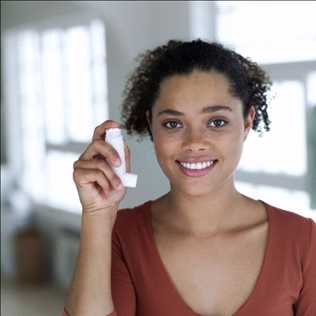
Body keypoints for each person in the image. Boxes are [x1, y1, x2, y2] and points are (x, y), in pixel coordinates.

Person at [62, 39, 316, 316]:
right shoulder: (120, 235)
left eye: (216, 122)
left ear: (246, 122)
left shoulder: (303, 240)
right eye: (173, 124)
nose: (194, 142)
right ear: (151, 125)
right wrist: (97, 214)